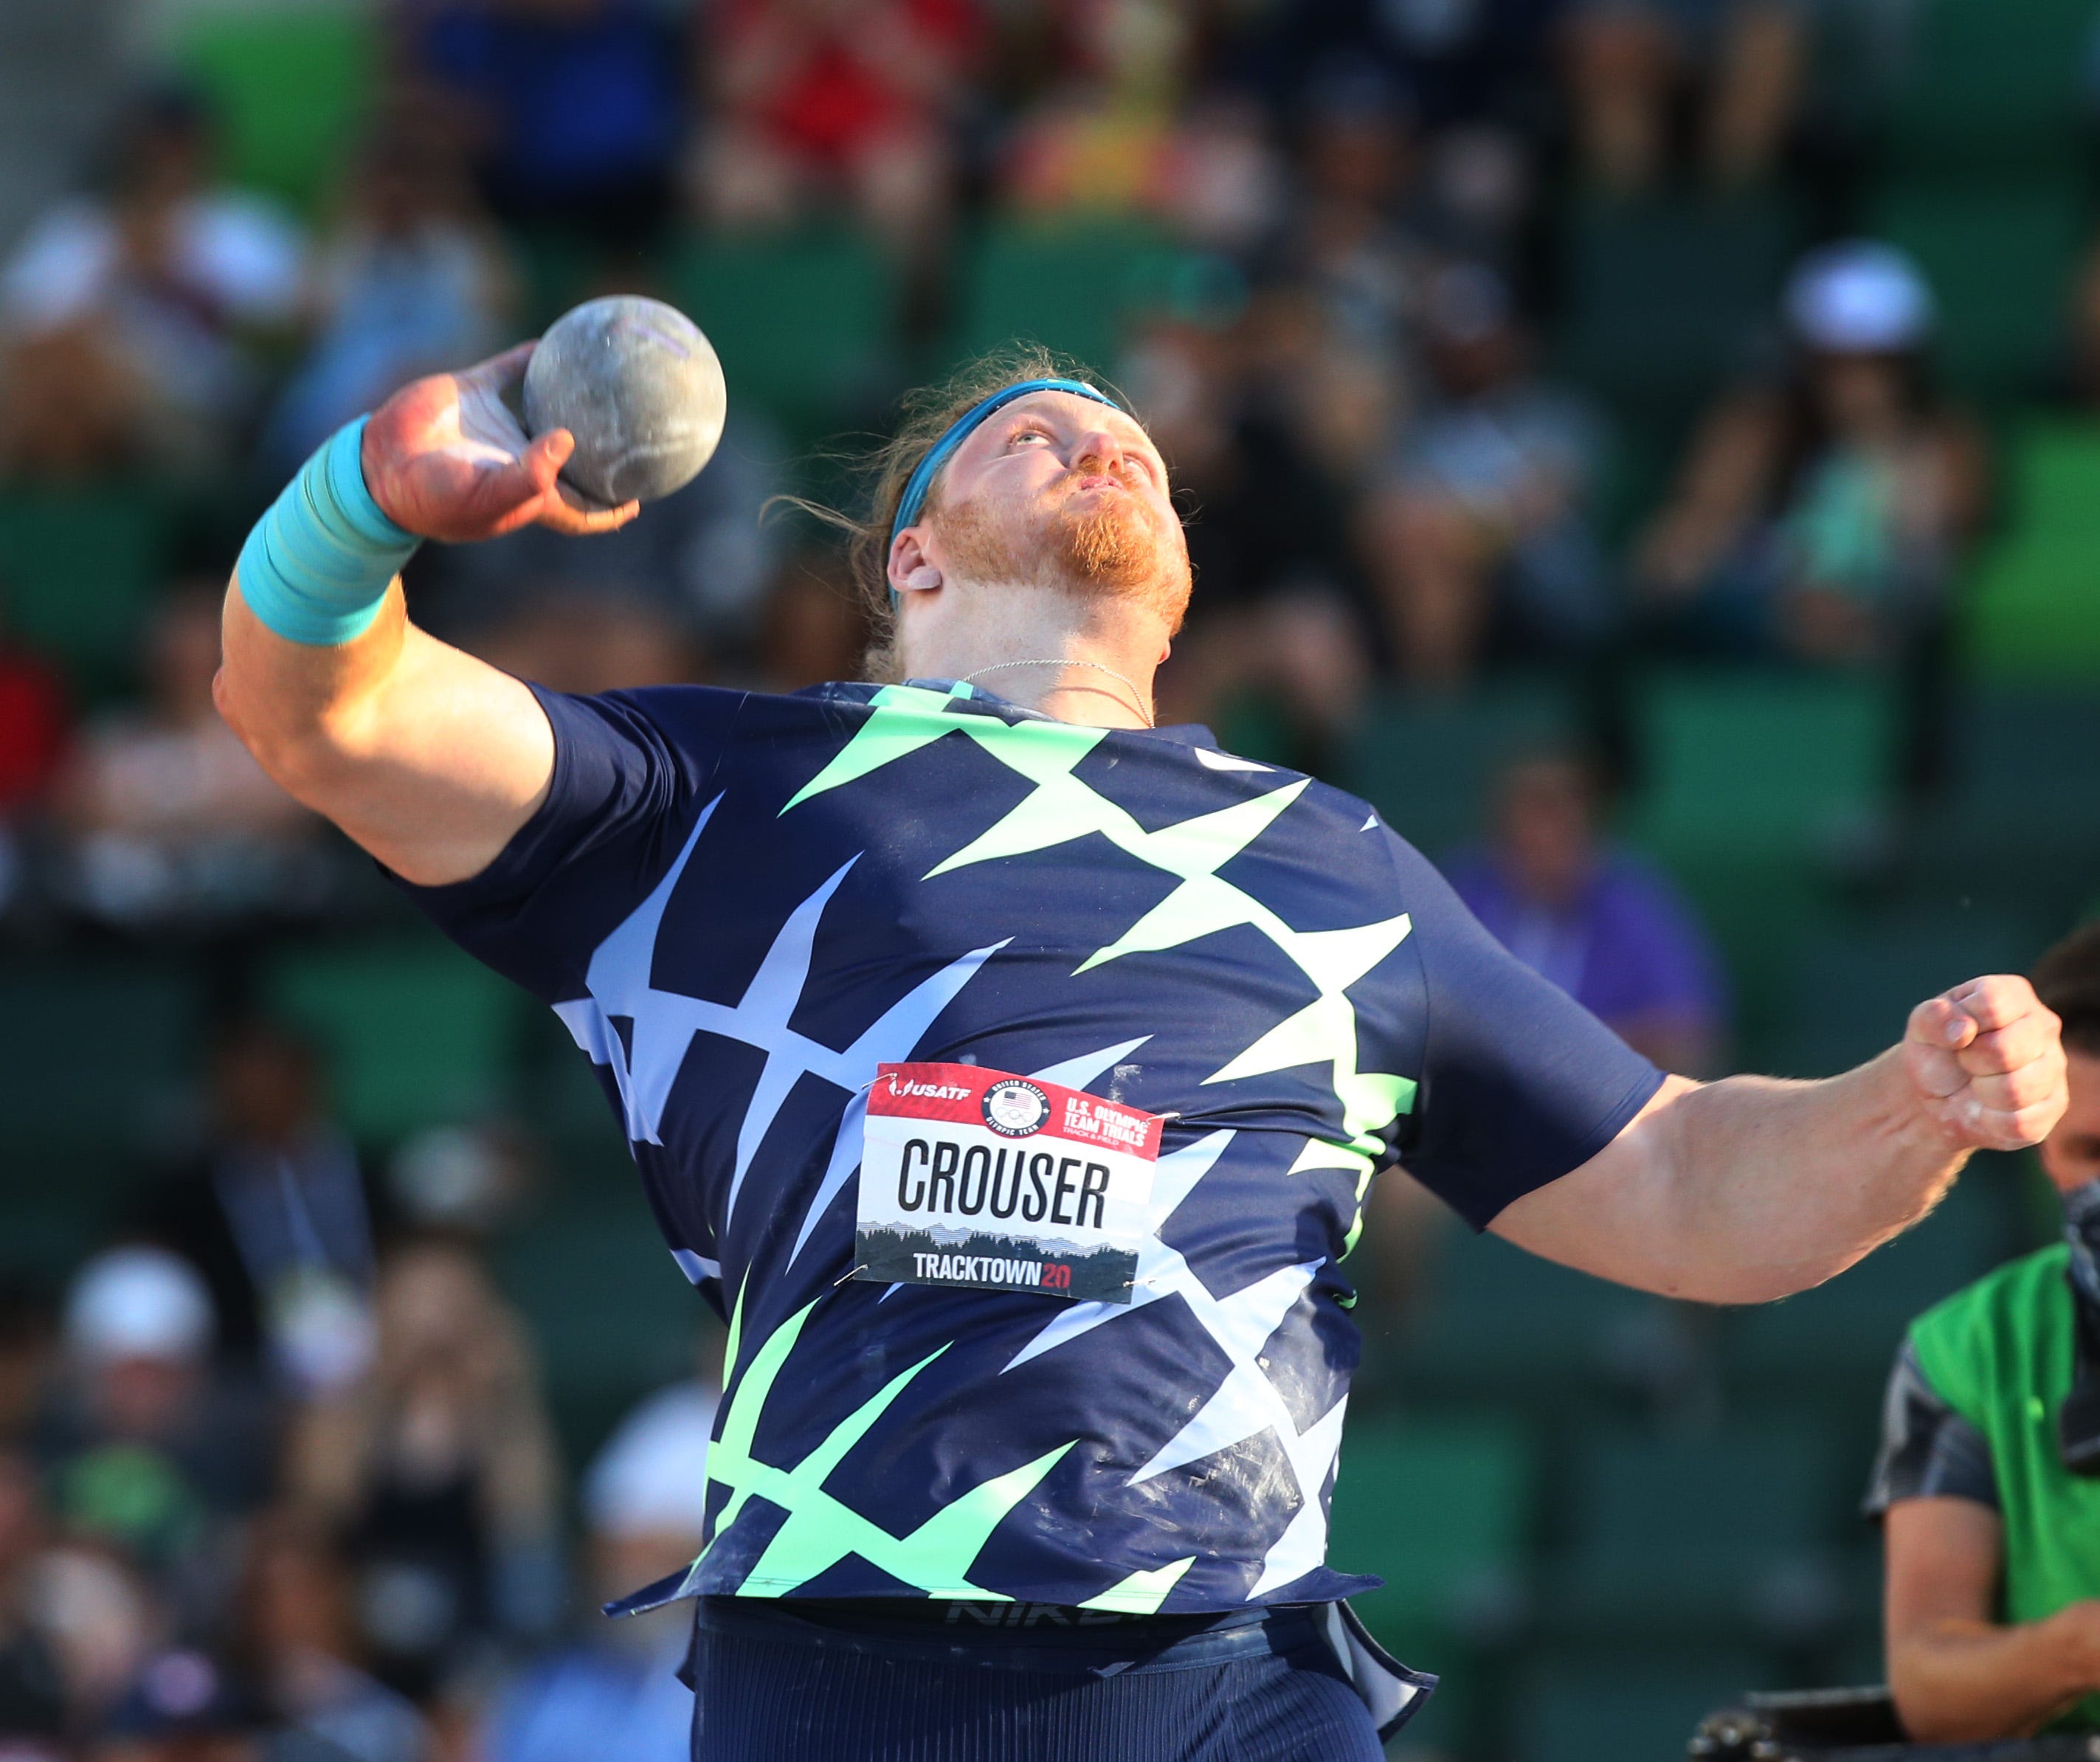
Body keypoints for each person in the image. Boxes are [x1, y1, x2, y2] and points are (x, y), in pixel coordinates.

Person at [211, 331, 2064, 1762]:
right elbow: (320, 714)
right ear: (911, 557)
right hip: (855, 1664)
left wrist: (1912, 1101)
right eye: (1026, 427)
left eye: (1137, 450)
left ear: (1175, 579)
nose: (1096, 433)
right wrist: (358, 506)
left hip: (1234, 1676)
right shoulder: (717, 789)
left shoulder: (1327, 862)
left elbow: (1679, 1189)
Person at [1865, 922, 2100, 1741]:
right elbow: (1927, 1679)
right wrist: (2082, 1647)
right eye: (2087, 1151)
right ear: (2041, 1154)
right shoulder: (1966, 1348)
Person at [1634, 241, 1989, 665]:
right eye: (1836, 363)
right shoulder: (1757, 427)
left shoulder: (1946, 439)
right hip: (1758, 637)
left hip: (1882, 639)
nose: (1856, 381)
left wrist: (1880, 446)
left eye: (1877, 363)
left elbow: (1946, 557)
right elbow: (1667, 562)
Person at [1444, 750, 1726, 1074]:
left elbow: (1688, 1034)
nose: (1542, 837)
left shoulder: (1634, 903)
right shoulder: (1460, 895)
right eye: (1528, 819)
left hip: (1607, 1107)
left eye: (1557, 820)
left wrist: (1562, 1056)